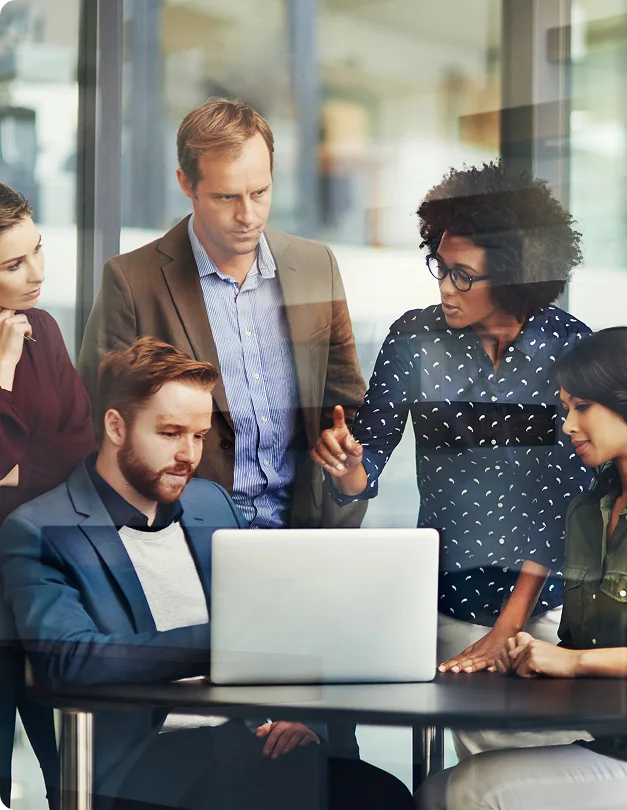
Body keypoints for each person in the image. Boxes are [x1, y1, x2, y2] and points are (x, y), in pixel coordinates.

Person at [0, 338, 414, 810]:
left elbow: (277, 626)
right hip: (138, 768)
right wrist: (223, 646)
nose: (188, 454)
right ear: (115, 426)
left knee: (382, 795)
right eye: (171, 432)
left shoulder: (210, 503)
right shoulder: (40, 529)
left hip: (248, 743)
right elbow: (69, 660)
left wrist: (300, 717)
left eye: (198, 436)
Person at [76, 97, 367, 756]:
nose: (248, 215)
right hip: (186, 563)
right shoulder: (132, 281)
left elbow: (351, 403)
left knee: (324, 766)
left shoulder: (315, 266)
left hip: (304, 555)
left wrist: (347, 451)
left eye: (261, 192)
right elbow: (105, 435)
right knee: (212, 765)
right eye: (227, 197)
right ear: (185, 184)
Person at [312, 161, 591, 758]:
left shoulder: (571, 349)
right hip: (444, 602)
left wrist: (505, 631)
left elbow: (566, 506)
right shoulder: (414, 339)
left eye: (463, 276)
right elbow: (370, 462)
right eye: (440, 267)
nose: (444, 287)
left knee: (541, 760)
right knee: (468, 758)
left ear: (514, 277)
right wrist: (347, 466)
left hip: (544, 609)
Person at [415, 327, 627, 810]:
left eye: (582, 407)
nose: (568, 425)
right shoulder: (587, 513)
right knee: (439, 790)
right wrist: (533, 657)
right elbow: (580, 648)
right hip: (605, 744)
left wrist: (571, 662)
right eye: (565, 408)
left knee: (466, 792)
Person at [0, 183, 96, 810]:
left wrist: (14, 471)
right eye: (12, 264)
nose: (37, 274)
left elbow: (78, 452)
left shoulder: (44, 329)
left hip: (44, 588)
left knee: (78, 771)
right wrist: (2, 373)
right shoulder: (18, 346)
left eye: (38, 251)